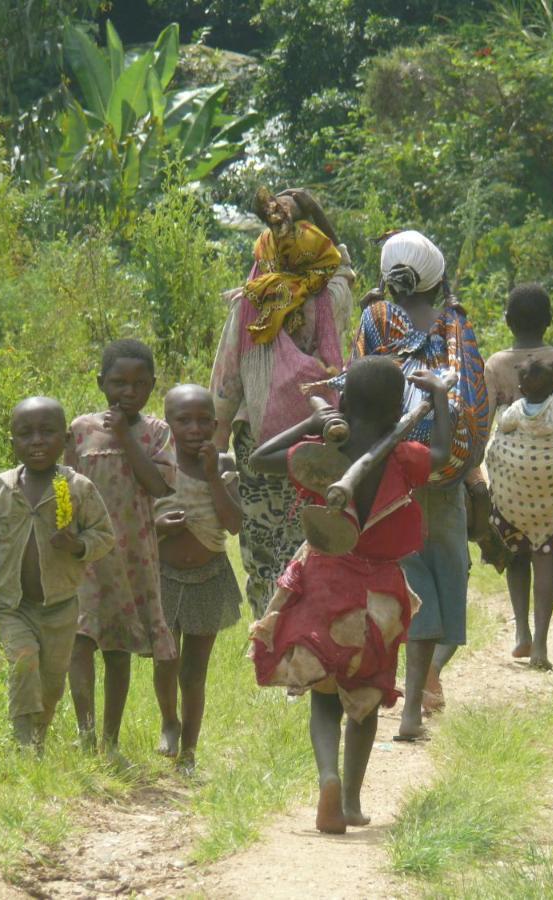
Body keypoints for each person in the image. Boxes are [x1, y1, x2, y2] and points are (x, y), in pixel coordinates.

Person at [248, 357, 452, 833]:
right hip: (379, 594)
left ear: (344, 402)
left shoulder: (322, 456)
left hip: (324, 582)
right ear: (397, 410)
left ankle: (328, 778)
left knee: (324, 698)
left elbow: (259, 460)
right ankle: (353, 802)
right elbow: (443, 452)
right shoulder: (404, 457)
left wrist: (313, 422)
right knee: (363, 698)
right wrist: (438, 397)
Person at [345, 230, 489, 740]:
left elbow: (356, 380)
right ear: (436, 275)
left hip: (394, 470)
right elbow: (476, 396)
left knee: (410, 584)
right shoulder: (456, 323)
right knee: (447, 577)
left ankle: (407, 698)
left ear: (389, 275)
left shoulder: (377, 319)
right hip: (442, 469)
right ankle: (417, 702)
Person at [210, 189, 356, 617]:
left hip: (257, 443)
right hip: (319, 437)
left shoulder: (250, 300)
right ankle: (308, 631)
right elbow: (343, 268)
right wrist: (316, 209)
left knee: (261, 543)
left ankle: (269, 633)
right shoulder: (332, 299)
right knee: (309, 540)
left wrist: (217, 448)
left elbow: (226, 381)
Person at [0, 396, 115, 749]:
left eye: (46, 433)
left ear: (65, 441)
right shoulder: (2, 489)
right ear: (13, 443)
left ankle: (38, 736)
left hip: (61, 606)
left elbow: (105, 536)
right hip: (14, 606)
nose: (36, 441)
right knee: (23, 664)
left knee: (51, 684)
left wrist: (78, 545)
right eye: (25, 434)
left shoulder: (77, 488)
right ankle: (24, 747)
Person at [65, 340, 177, 759]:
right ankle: (85, 733)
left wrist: (125, 439)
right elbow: (66, 487)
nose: (127, 392)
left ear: (152, 387)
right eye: (118, 383)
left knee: (119, 645)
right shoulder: (79, 430)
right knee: (81, 638)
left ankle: (110, 741)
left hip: (133, 558)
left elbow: (159, 485)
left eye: (139, 384)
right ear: (100, 383)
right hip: (87, 556)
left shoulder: (156, 432)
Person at [481, 283, 553, 664]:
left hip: (513, 482)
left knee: (517, 552)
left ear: (507, 321)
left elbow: (484, 425)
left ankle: (521, 631)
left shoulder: (497, 365)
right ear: (550, 320)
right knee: (546, 553)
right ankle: (543, 645)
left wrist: (477, 478)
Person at [152, 384, 243, 775]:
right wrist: (157, 526)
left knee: (195, 670)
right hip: (164, 576)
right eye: (183, 420)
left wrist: (213, 477)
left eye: (203, 421)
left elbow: (234, 524)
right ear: (167, 423)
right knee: (165, 659)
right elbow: (140, 521)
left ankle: (189, 750)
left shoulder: (223, 466)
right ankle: (168, 721)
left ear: (216, 424)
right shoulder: (158, 464)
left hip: (209, 577)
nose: (194, 429)